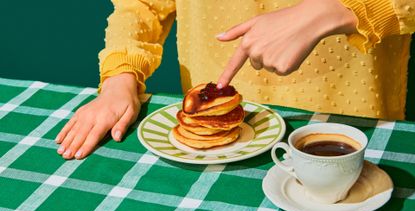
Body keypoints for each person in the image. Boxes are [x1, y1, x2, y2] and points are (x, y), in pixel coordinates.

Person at [55, 0, 414, 160]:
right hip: (215, 145)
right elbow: (143, 5)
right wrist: (121, 77)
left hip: (351, 126)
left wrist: (338, 8)